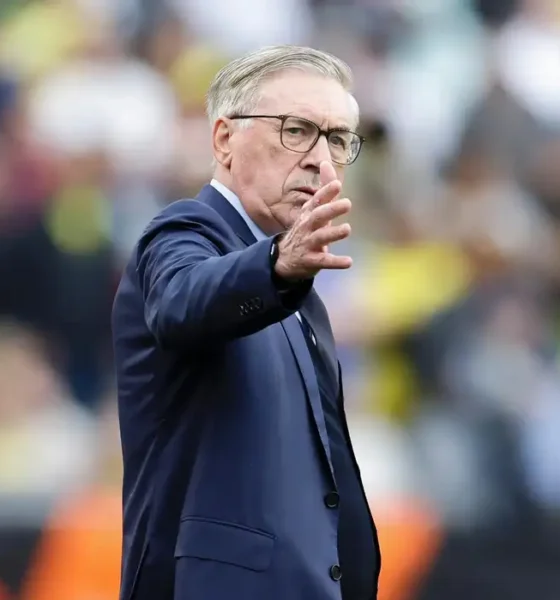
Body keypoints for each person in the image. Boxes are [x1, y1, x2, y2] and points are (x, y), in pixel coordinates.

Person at [112, 45, 380, 600]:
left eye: (337, 139)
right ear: (224, 140)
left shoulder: (299, 289)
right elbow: (182, 301)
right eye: (297, 130)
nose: (322, 161)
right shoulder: (185, 232)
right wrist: (276, 265)